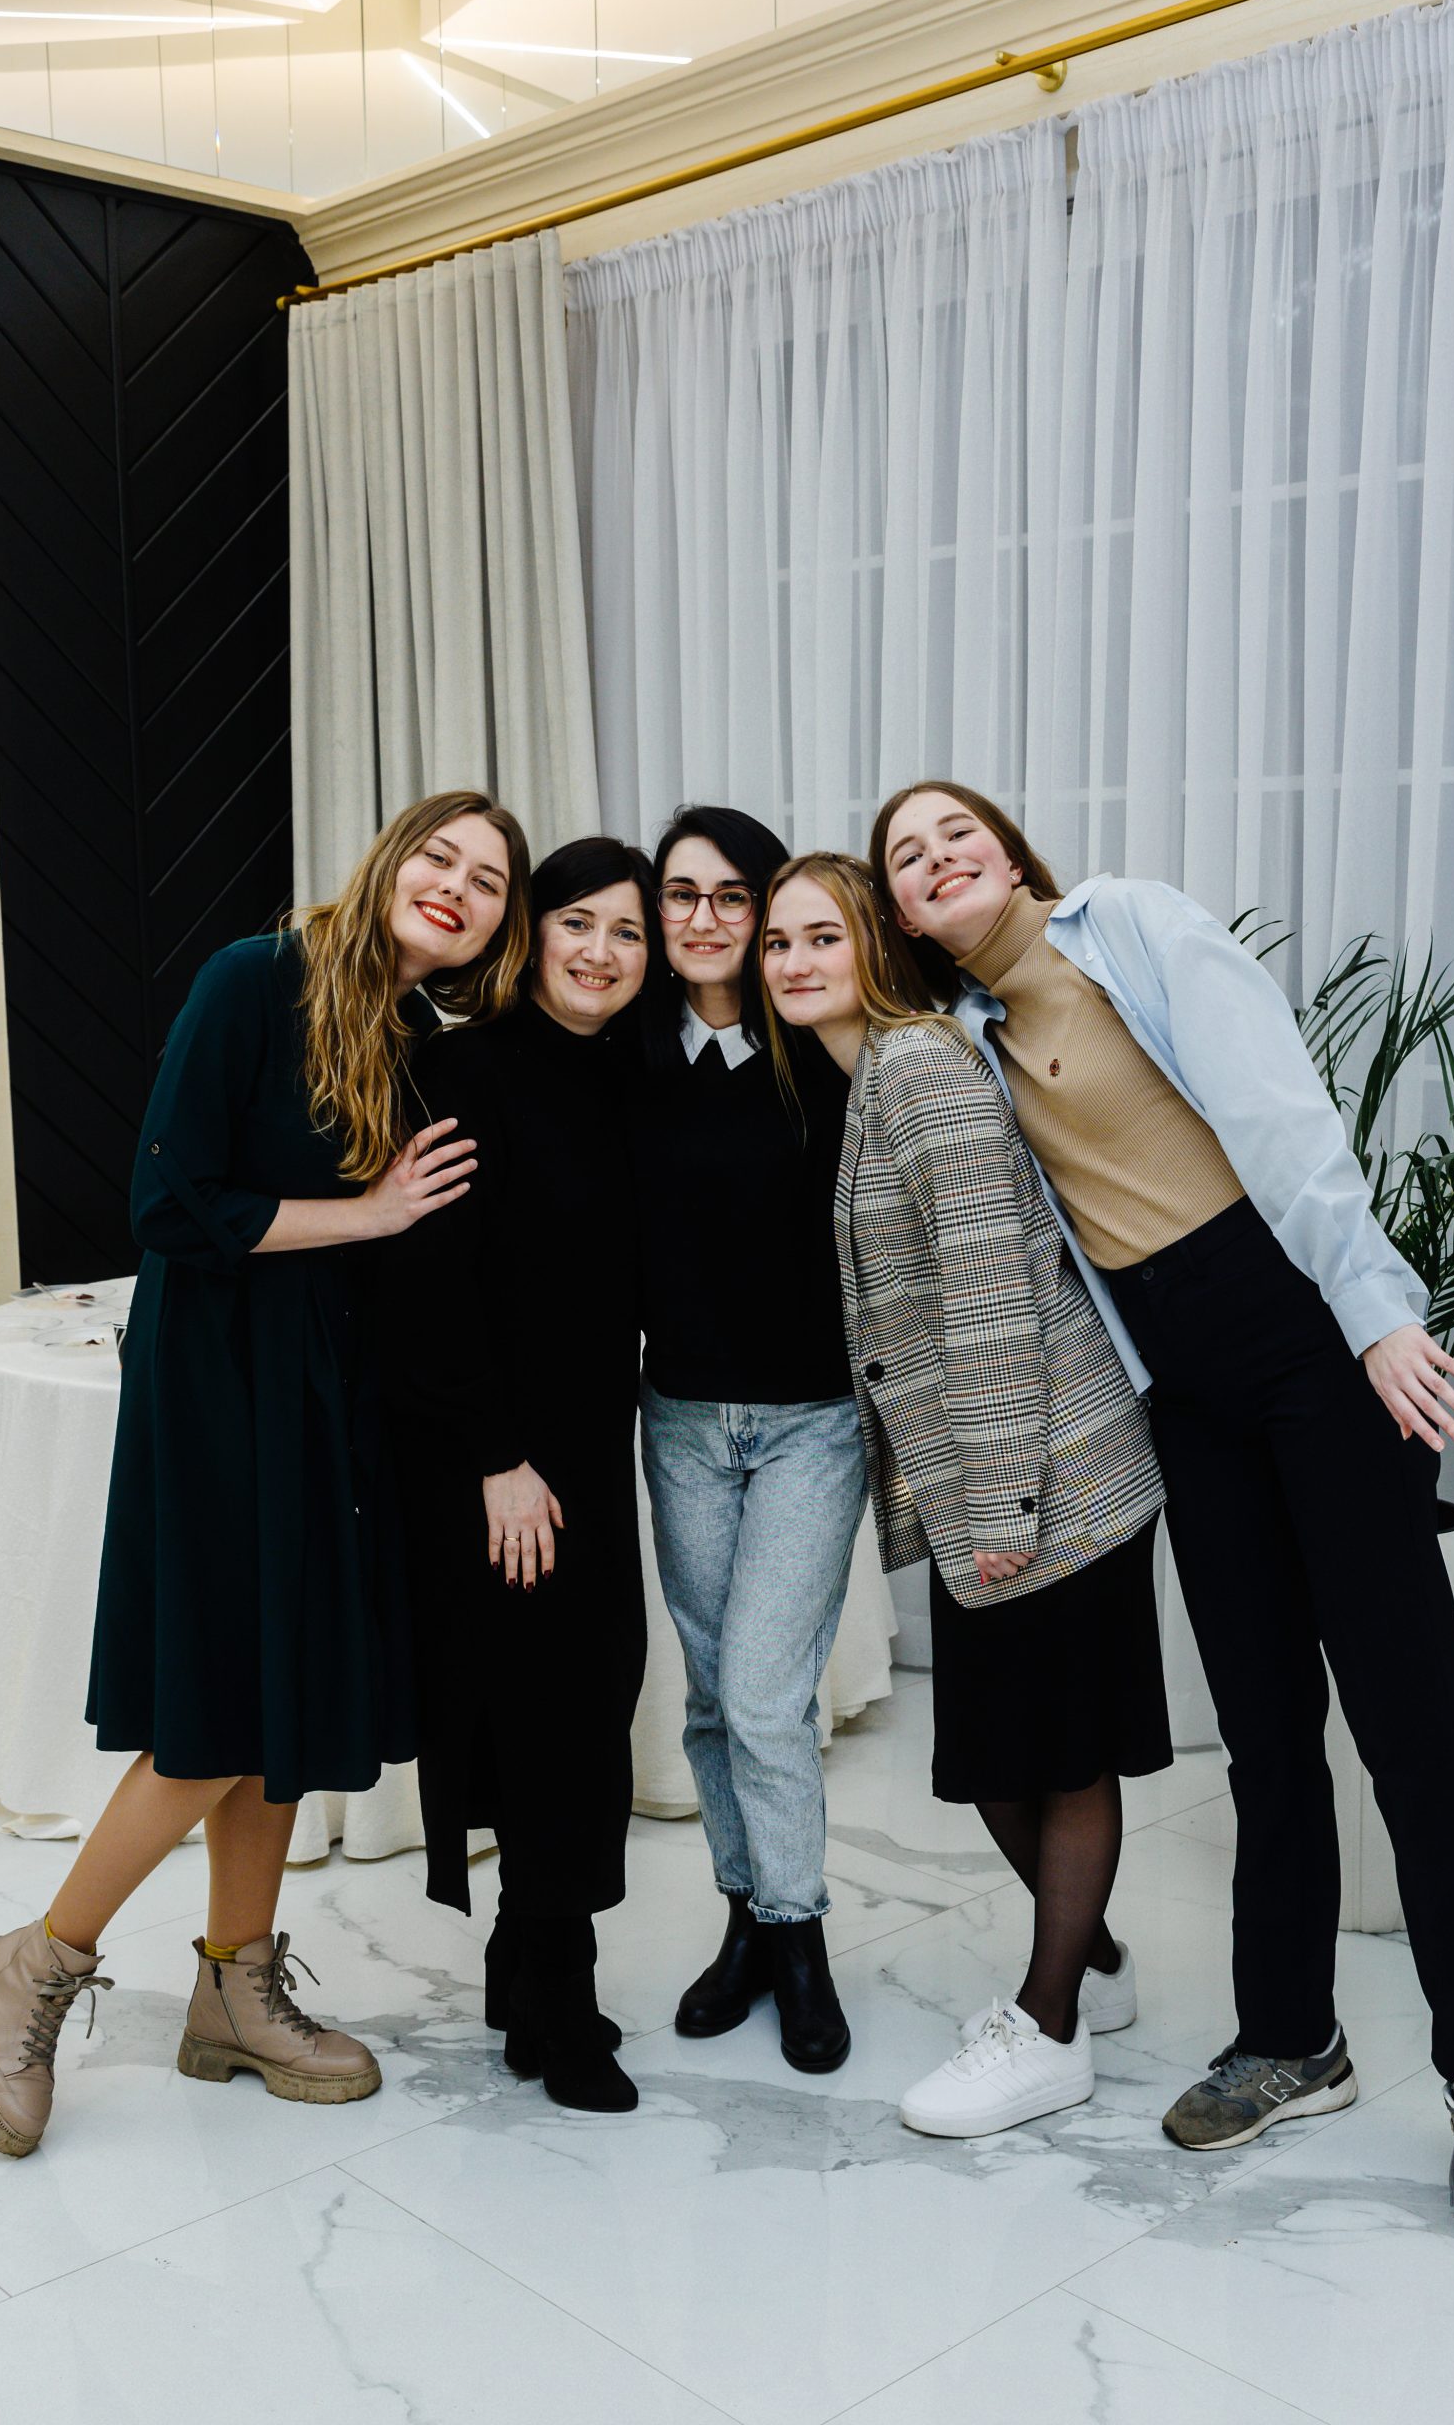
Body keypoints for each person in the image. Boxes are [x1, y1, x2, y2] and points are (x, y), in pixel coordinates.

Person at [870, 777, 1454, 2257]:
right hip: (1182, 1393)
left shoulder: (1128, 926)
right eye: (907, 859)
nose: (937, 859)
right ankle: (1292, 2040)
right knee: (1259, 1730)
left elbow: (1280, 1115)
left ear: (1007, 849)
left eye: (954, 832)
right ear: (906, 915)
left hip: (1307, 1342)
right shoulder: (963, 1042)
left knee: (1406, 1732)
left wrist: (1374, 1314)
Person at [0, 792, 526, 2160]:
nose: (457, 884)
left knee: (283, 1698)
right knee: (215, 1710)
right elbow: (168, 1205)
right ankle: (40, 1961)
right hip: (219, 1381)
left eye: (489, 881)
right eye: (440, 854)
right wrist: (370, 1212)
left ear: (496, 929)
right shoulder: (255, 977)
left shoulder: (415, 1034)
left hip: (331, 1392)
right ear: (390, 858)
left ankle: (234, 1984)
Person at [763, 851, 1166, 2139]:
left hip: (1050, 1475)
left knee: (1054, 1753)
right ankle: (1091, 1964)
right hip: (1001, 1479)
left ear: (874, 948)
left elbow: (990, 1289)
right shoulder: (870, 1074)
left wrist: (997, 1507)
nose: (793, 961)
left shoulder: (920, 1068)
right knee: (1001, 1754)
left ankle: (1049, 2028)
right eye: (776, 942)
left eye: (821, 935)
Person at [383, 838, 659, 2114]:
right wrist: (497, 1457)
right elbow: (425, 1281)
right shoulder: (463, 1068)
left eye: (627, 932)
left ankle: (520, 1955)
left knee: (588, 1699)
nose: (600, 951)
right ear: (532, 931)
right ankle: (559, 1993)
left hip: (591, 1445)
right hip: (488, 1452)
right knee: (546, 1716)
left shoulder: (631, 1073)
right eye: (577, 921)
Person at [631, 806, 867, 2073]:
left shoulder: (828, 1050)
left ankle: (798, 1936)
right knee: (716, 1694)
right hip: (677, 1418)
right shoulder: (628, 1054)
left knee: (768, 1692)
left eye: (734, 896)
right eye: (682, 895)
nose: (706, 918)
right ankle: (745, 1921)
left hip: (809, 1423)